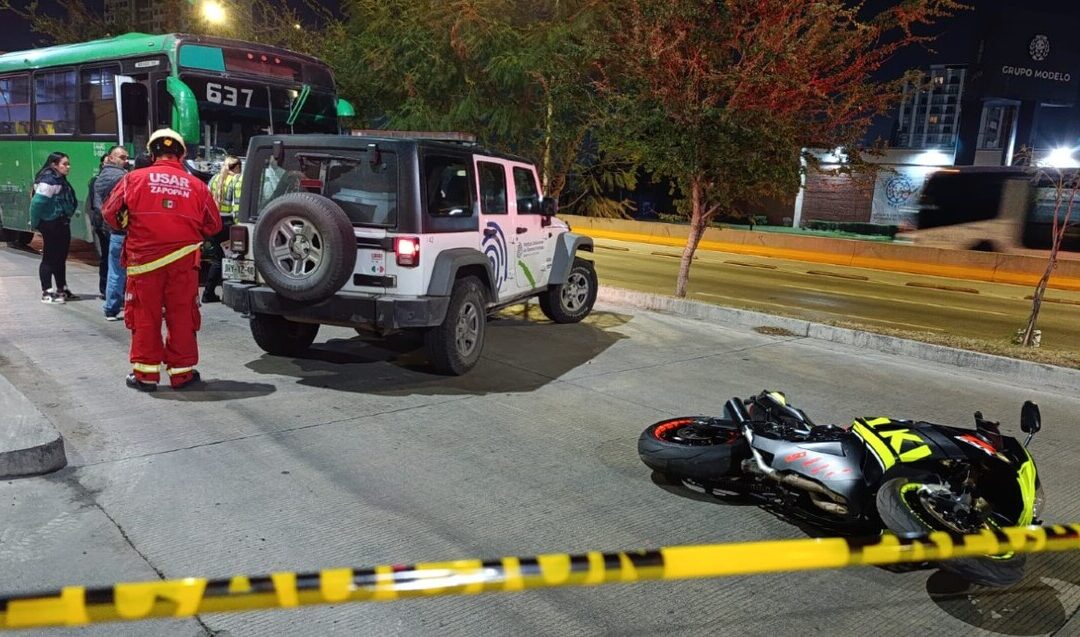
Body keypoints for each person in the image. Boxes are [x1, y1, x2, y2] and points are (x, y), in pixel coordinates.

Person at [102, 129, 222, 392]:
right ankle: (182, 374)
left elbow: (110, 213)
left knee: (145, 316)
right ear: (182, 155)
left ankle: (145, 376)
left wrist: (129, 224)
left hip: (144, 262)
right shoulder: (197, 186)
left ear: (151, 153)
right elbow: (213, 225)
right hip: (184, 263)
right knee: (183, 316)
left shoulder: (133, 179)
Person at [30, 152, 77, 304]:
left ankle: (62, 289)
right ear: (54, 165)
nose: (68, 167)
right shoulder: (49, 181)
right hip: (51, 223)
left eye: (68, 164)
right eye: (64, 164)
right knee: (49, 258)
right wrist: (35, 223)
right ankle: (47, 292)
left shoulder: (59, 179)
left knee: (60, 257)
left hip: (61, 222)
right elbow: (37, 204)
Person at [94, 145, 130, 320]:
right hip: (124, 230)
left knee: (114, 270)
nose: (126, 161)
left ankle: (111, 307)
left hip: (110, 228)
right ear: (111, 158)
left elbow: (98, 204)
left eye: (126, 157)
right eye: (122, 157)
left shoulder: (99, 177)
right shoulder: (123, 178)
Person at [203, 156, 242, 303]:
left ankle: (208, 293)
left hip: (215, 223)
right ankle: (228, 294)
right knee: (232, 259)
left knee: (218, 259)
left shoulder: (214, 179)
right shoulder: (236, 179)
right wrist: (239, 226)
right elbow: (237, 205)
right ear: (237, 167)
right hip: (229, 224)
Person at [88, 154, 109, 299]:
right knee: (106, 257)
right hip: (102, 224)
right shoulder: (96, 181)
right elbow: (96, 205)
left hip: (106, 223)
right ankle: (104, 288)